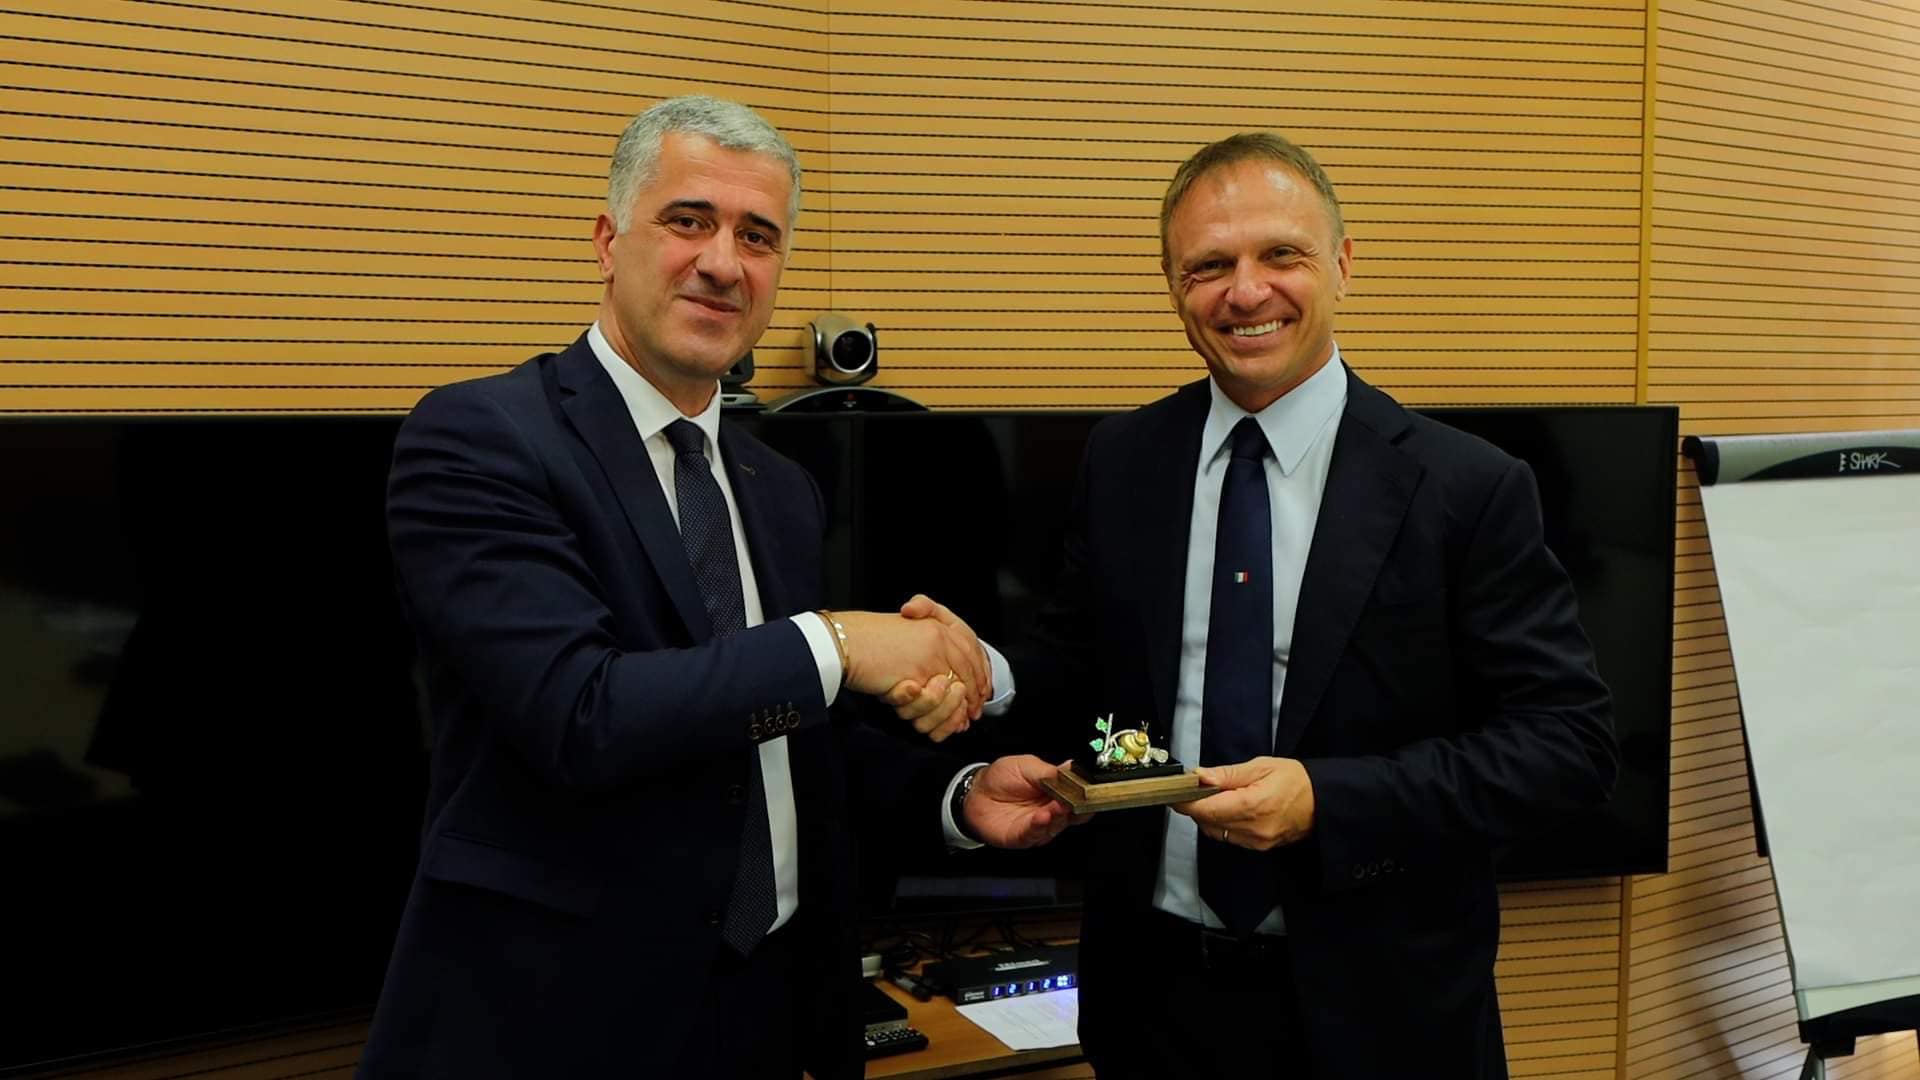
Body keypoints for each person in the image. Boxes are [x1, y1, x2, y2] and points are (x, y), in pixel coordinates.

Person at [357, 95, 1070, 1080]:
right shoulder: (481, 439)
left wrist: (954, 796)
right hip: (558, 1023)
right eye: (689, 220)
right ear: (608, 241)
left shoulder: (779, 487)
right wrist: (840, 642)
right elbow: (579, 714)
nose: (724, 262)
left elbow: (781, 742)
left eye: (757, 236)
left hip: (770, 1014)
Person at [979, 133, 1619, 1078]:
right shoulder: (1123, 462)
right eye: (1209, 266)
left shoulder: (1467, 487)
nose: (1246, 292)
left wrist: (1330, 800)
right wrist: (978, 672)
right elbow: (1082, 677)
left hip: (1384, 1018)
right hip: (1154, 1002)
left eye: (1280, 253)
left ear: (1343, 265)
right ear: (1174, 287)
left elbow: (1569, 747)